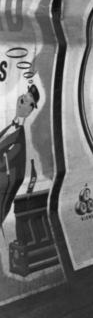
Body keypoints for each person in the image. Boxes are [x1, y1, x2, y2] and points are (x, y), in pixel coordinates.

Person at [0, 84, 39, 226]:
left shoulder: (19, 137)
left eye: (27, 101)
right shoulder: (9, 128)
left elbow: (9, 162)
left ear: (30, 110)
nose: (22, 101)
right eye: (23, 97)